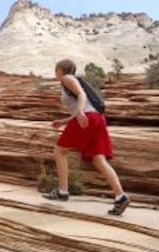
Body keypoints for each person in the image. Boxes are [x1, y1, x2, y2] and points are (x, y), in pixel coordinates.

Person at [43, 59, 130, 216]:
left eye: (56, 69)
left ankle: (63, 191)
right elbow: (85, 103)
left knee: (59, 151)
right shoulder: (70, 80)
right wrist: (65, 121)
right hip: (97, 118)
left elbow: (82, 95)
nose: (55, 72)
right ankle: (120, 196)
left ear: (60, 69)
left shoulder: (67, 78)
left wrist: (81, 111)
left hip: (88, 117)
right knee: (99, 160)